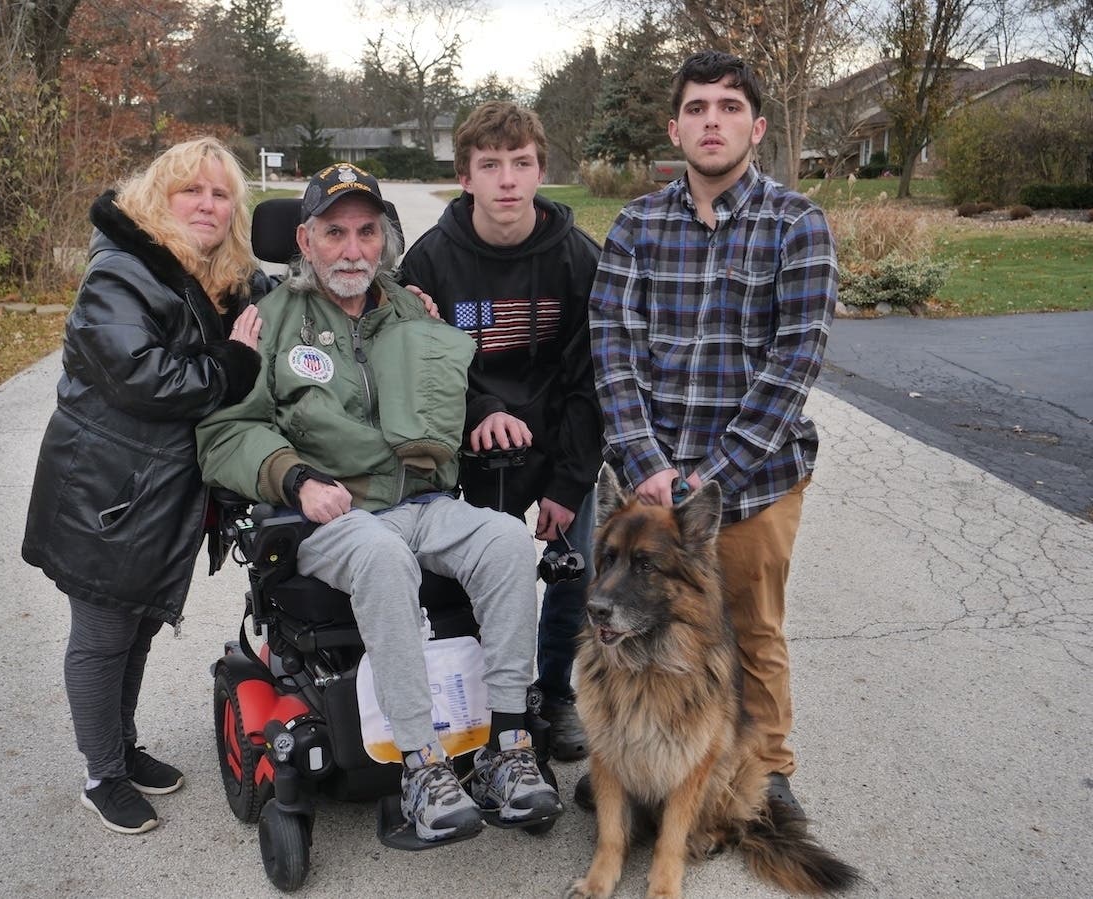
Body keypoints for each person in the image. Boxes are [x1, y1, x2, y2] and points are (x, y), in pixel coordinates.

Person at [196, 162, 563, 843]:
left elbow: (449, 394)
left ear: (384, 240)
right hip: (330, 516)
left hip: (422, 500)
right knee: (383, 551)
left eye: (367, 231)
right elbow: (227, 432)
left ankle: (507, 747)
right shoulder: (270, 320)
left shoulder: (408, 310)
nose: (352, 248)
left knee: (508, 542)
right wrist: (297, 477)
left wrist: (476, 406)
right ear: (304, 241)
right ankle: (421, 764)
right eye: (334, 232)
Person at [586, 51, 838, 818]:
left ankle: (766, 767)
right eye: (696, 108)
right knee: (636, 620)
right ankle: (640, 762)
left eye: (728, 108)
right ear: (675, 127)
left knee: (749, 625)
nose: (711, 121)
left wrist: (710, 477)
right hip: (647, 482)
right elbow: (612, 348)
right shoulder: (636, 224)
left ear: (754, 127)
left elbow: (793, 362)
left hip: (755, 478)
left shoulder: (795, 225)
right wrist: (648, 466)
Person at [22, 137, 270, 836]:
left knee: (135, 628)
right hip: (107, 490)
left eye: (221, 195)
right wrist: (234, 365)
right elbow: (146, 376)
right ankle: (102, 775)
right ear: (159, 196)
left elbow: (275, 302)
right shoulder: (122, 271)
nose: (207, 204)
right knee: (103, 633)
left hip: (159, 492)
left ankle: (122, 747)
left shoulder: (205, 274)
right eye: (192, 189)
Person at [398, 101, 602, 762]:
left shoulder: (578, 260)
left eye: (520, 163)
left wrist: (569, 482)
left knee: (574, 573)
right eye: (490, 165)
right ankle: (478, 694)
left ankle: (553, 693)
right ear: (464, 176)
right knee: (460, 576)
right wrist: (481, 408)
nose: (506, 180)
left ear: (541, 170)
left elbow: (588, 383)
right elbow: (417, 372)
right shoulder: (428, 262)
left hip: (554, 444)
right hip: (468, 450)